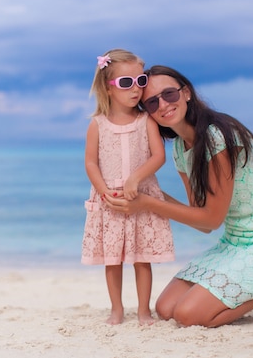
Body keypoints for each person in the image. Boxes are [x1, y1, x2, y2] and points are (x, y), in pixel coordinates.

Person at [103, 65, 253, 328]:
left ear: (185, 94)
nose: (163, 104)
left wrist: (147, 203)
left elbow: (211, 221)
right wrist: (150, 193)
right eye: (151, 102)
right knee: (165, 308)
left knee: (188, 316)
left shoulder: (218, 136)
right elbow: (199, 220)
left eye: (169, 94)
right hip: (234, 244)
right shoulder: (180, 151)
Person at [81, 49, 175, 325]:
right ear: (108, 89)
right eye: (126, 83)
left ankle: (144, 310)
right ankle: (117, 309)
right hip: (110, 201)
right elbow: (90, 163)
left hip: (142, 197)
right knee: (113, 260)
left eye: (140, 81)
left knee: (141, 257)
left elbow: (159, 156)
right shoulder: (97, 125)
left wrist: (135, 179)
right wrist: (103, 191)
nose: (135, 89)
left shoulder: (146, 121)